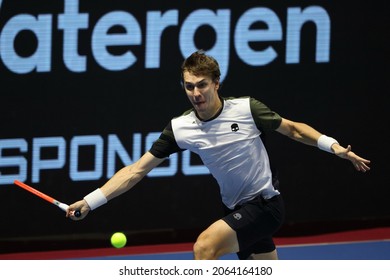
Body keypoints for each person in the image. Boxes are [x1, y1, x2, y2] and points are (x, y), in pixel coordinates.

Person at [66, 50, 371, 260]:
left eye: (201, 85)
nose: (195, 93)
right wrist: (91, 201)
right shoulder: (181, 128)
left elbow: (293, 129)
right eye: (189, 87)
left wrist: (332, 145)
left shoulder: (247, 109)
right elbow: (136, 170)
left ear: (216, 84)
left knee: (204, 248)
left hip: (265, 206)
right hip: (235, 208)